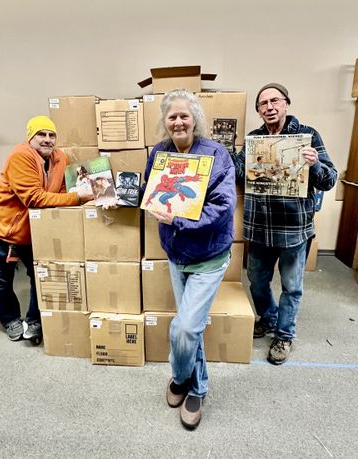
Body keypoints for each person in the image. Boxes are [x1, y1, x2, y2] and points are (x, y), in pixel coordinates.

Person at [143, 89, 236, 429]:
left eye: (184, 115)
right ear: (164, 123)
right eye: (172, 117)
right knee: (190, 329)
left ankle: (188, 383)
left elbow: (223, 206)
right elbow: (151, 192)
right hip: (176, 255)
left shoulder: (216, 154)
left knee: (184, 329)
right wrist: (118, 194)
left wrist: (178, 220)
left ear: (195, 118)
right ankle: (192, 384)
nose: (178, 122)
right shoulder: (160, 152)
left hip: (209, 257)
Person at [231, 83, 337, 365]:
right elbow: (240, 173)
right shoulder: (253, 139)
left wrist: (315, 164)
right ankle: (268, 318)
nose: (269, 107)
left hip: (294, 229)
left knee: (292, 286)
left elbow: (329, 179)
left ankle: (284, 335)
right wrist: (223, 154)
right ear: (258, 110)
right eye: (263, 103)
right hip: (259, 227)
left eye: (274, 100)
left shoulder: (308, 136)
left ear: (286, 103)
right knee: (256, 281)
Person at [0, 115, 94, 343]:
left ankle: (35, 321)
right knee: (2, 281)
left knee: (39, 276)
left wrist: (82, 195)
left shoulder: (59, 157)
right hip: (0, 230)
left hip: (32, 232)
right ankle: (11, 320)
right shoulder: (20, 156)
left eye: (52, 135)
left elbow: (60, 191)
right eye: (41, 134)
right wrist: (78, 197)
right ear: (30, 137)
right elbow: (34, 198)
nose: (47, 140)